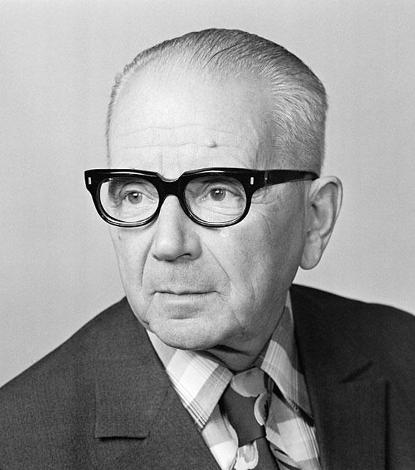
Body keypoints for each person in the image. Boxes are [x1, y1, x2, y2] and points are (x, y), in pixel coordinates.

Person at [0, 28, 414, 470]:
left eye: (219, 192)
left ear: (315, 220)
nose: (168, 244)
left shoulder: (404, 353)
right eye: (135, 194)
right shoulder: (17, 444)